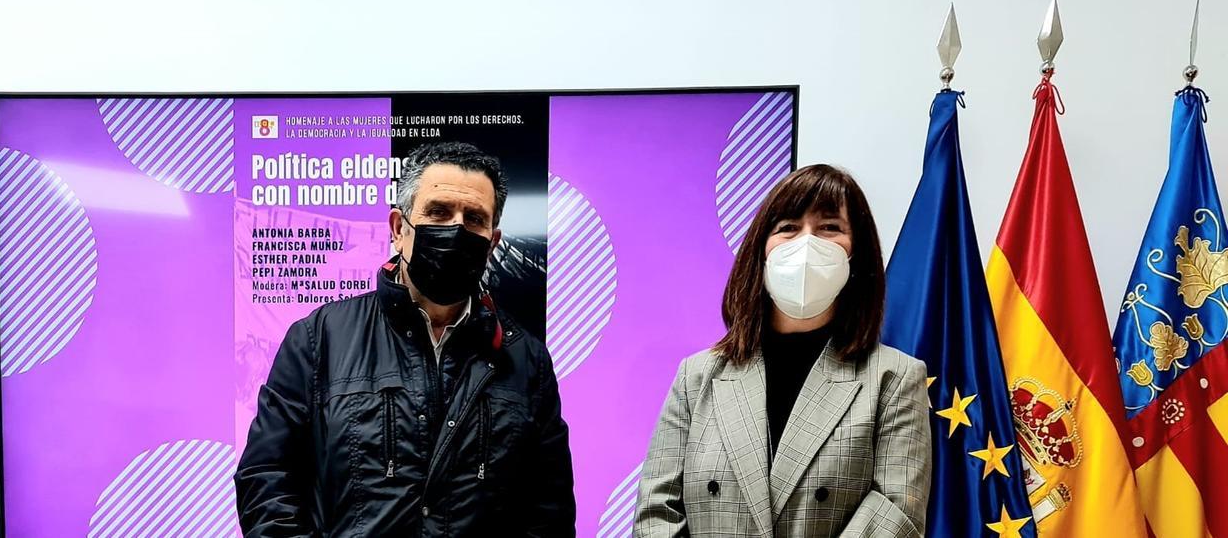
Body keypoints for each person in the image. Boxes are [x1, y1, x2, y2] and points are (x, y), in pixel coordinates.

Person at [235, 142, 575, 537]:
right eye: (438, 212)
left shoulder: (526, 359)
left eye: (474, 219)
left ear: (492, 242)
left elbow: (548, 511)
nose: (455, 229)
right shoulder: (318, 339)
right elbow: (267, 480)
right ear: (399, 229)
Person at [634, 165, 931, 538]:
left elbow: (896, 514)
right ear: (762, 249)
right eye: (788, 228)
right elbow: (656, 514)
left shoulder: (895, 377)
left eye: (829, 228)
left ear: (859, 254)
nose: (807, 244)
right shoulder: (697, 376)